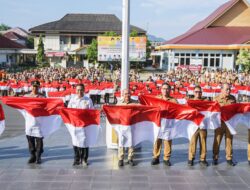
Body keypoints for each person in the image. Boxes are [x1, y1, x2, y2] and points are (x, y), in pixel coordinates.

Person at [151, 83, 178, 166]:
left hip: (168, 124)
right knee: (157, 140)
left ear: (170, 90)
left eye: (167, 89)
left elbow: (178, 111)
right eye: (164, 88)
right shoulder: (157, 99)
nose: (165, 90)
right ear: (161, 90)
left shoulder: (174, 100)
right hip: (159, 123)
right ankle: (156, 157)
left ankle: (166, 158)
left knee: (167, 141)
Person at [68, 83, 94, 166]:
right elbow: (68, 111)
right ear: (76, 90)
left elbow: (92, 112)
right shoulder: (72, 100)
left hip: (85, 125)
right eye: (78, 90)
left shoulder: (88, 100)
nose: (80, 91)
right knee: (75, 141)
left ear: (84, 90)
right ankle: (77, 159)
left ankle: (84, 159)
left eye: (81, 90)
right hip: (75, 124)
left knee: (85, 142)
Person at [212, 83, 237, 166]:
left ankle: (229, 158)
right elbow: (212, 111)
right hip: (220, 123)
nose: (228, 91)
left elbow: (236, 109)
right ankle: (215, 157)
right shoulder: (216, 99)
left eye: (229, 89)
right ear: (221, 90)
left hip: (229, 123)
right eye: (226, 89)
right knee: (217, 140)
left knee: (229, 140)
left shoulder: (232, 98)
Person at [24, 81, 45, 164]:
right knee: (30, 138)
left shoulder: (42, 97)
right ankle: (32, 155)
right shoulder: (26, 96)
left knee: (39, 138)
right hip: (29, 120)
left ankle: (38, 156)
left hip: (39, 121)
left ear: (39, 87)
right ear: (31, 87)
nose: (34, 88)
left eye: (36, 86)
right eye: (33, 86)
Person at [188, 85, 208, 167]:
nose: (198, 93)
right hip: (193, 125)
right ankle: (191, 158)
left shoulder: (205, 102)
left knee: (203, 142)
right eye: (196, 92)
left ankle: (203, 159)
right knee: (193, 142)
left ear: (201, 93)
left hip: (203, 125)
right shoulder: (190, 102)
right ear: (193, 92)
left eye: (199, 92)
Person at [117, 89, 137, 167]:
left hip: (132, 125)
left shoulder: (135, 103)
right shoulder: (119, 103)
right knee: (121, 142)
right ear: (122, 94)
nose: (127, 95)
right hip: (122, 126)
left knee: (131, 142)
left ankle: (130, 158)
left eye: (128, 94)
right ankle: (120, 159)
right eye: (125, 94)